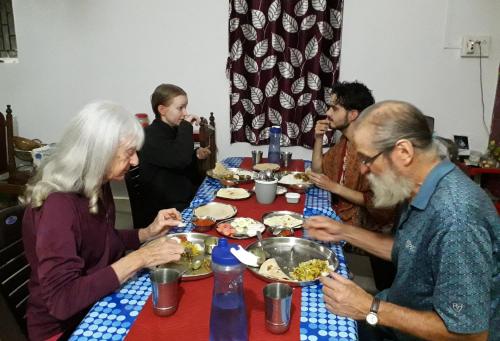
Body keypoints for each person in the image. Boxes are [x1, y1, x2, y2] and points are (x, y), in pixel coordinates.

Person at [305, 100, 499, 340]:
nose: (363, 170)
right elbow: (410, 250)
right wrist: (342, 231)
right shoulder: (419, 183)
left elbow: (471, 335)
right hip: (395, 311)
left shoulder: (458, 218)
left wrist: (370, 308)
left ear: (404, 152)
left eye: (367, 159)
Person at [21, 101, 185, 341]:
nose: (135, 161)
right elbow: (62, 300)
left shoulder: (97, 184)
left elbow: (102, 240)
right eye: (129, 153)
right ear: (100, 152)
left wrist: (148, 233)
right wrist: (140, 257)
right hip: (65, 328)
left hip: (95, 303)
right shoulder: (58, 206)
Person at [309, 81, 395, 290]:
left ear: (353, 115)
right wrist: (318, 139)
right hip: (343, 210)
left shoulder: (373, 147)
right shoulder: (345, 141)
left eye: (334, 108)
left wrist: (335, 188)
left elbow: (377, 202)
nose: (328, 113)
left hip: (371, 226)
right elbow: (319, 171)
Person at [138, 84, 211, 227]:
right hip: (164, 209)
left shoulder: (172, 130)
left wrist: (195, 155)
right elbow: (179, 159)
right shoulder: (151, 135)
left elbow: (174, 159)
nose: (185, 113)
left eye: (186, 107)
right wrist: (186, 125)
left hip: (181, 197)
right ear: (162, 110)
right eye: (180, 108)